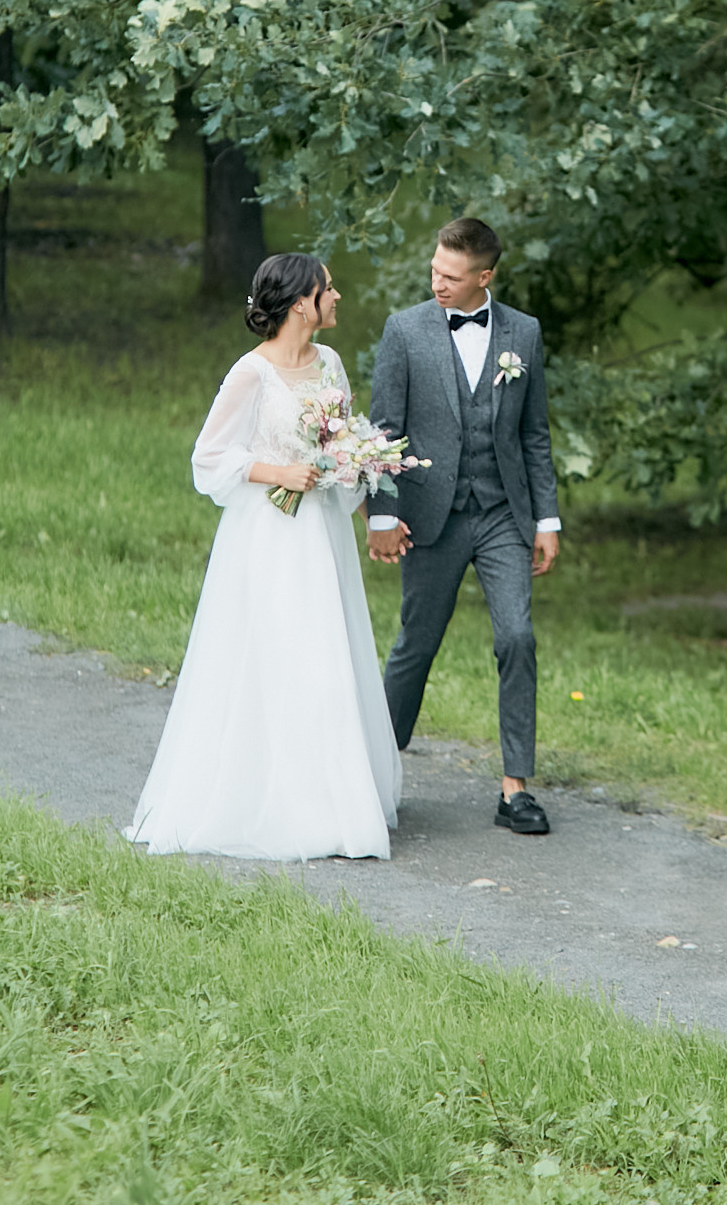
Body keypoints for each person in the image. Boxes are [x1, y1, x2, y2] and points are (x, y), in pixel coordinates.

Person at [126, 253, 400, 862]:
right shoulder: (251, 374)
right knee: (277, 655)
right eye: (328, 289)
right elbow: (207, 459)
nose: (337, 296)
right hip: (269, 537)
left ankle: (331, 801)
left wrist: (370, 506)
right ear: (302, 302)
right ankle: (264, 800)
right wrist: (279, 471)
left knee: (326, 655)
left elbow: (346, 445)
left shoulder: (329, 363)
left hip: (322, 535)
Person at [366, 215, 562, 837]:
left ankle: (515, 791)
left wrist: (547, 518)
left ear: (486, 276)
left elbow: (534, 435)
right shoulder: (405, 331)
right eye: (434, 271)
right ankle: (375, 776)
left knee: (518, 639)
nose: (439, 284)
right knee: (415, 645)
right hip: (431, 517)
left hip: (504, 513)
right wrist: (383, 514)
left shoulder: (523, 335)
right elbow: (383, 431)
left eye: (452, 276)